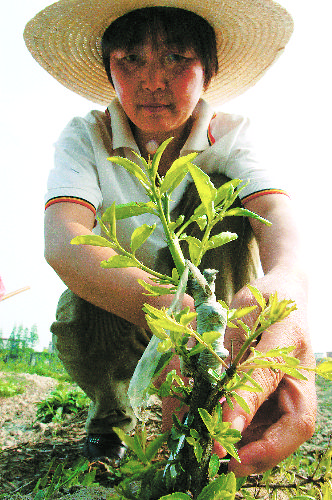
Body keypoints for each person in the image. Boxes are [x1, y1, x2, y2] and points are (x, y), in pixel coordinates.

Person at [24, 0, 316, 477]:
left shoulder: (232, 135)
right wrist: (175, 313)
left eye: (178, 58)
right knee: (80, 310)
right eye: (130, 59)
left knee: (225, 200)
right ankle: (112, 414)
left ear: (210, 71)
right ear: (108, 70)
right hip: (123, 304)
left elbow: (277, 213)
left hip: (213, 306)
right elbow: (64, 240)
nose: (153, 81)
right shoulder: (87, 137)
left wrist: (290, 286)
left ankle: (219, 401)